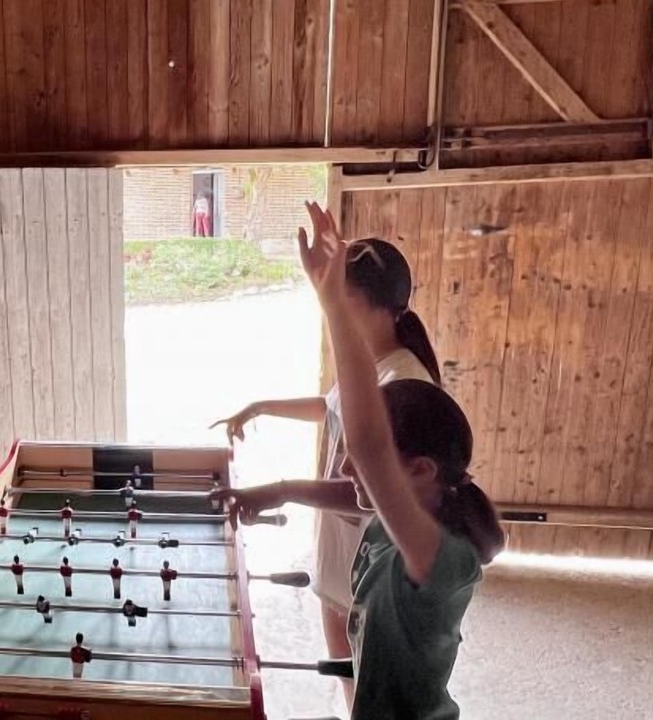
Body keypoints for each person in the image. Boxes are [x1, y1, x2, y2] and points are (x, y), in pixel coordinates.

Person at [213, 202, 505, 719]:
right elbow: (362, 452)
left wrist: (330, 304)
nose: (348, 470)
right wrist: (280, 489)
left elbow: (368, 449)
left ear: (421, 470)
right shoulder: (390, 527)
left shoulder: (442, 560)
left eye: (362, 463)